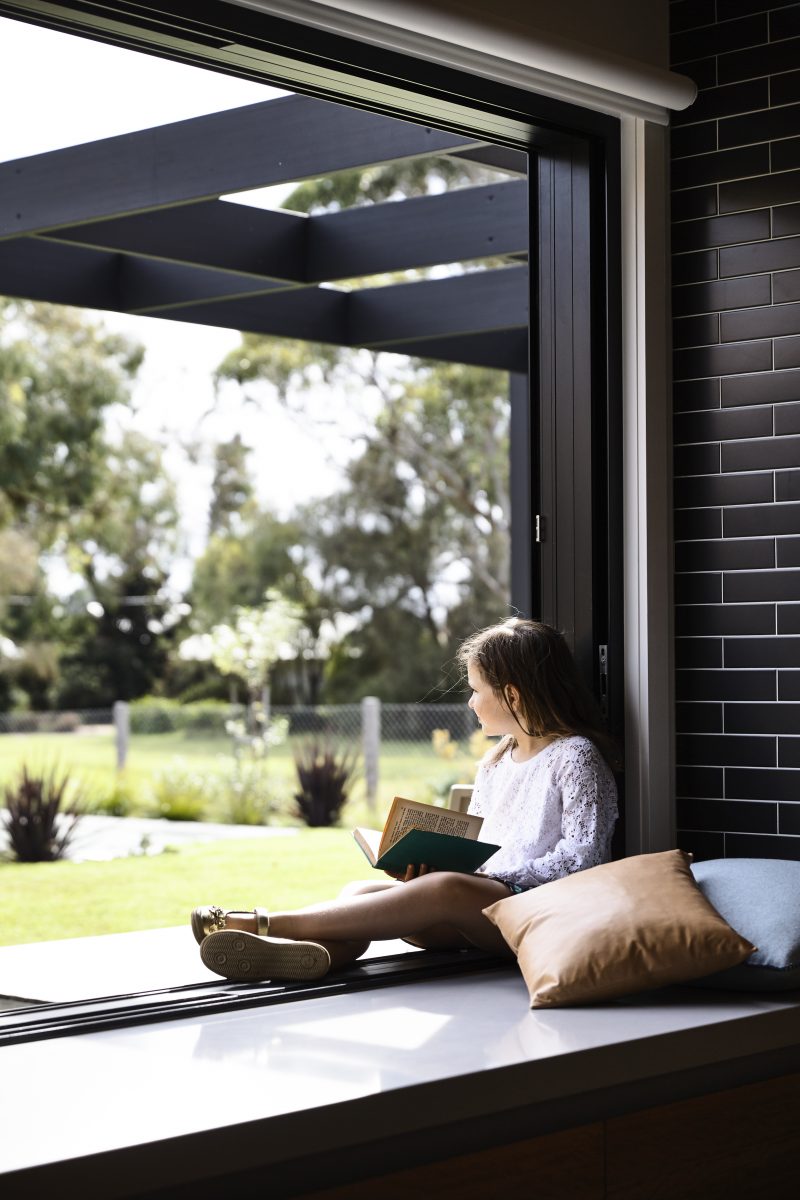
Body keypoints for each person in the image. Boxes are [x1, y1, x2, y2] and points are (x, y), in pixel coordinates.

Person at [192, 617, 619, 983]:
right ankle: (309, 960)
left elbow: (585, 859)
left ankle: (265, 923)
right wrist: (434, 863)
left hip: (532, 913)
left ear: (513, 695)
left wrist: (479, 880)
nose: (470, 701)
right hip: (476, 906)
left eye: (475, 690)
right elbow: (478, 844)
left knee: (447, 888)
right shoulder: (496, 761)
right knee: (361, 891)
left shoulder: (574, 756)